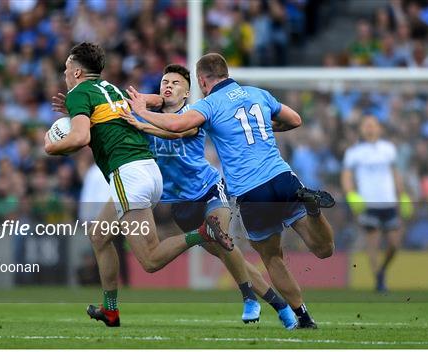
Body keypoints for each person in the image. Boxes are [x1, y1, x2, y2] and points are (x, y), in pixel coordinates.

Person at [125, 53, 336, 329]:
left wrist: (141, 112)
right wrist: (268, 128)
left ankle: (303, 318)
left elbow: (177, 126)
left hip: (250, 190)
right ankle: (313, 209)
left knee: (272, 258)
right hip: (283, 176)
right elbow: (294, 119)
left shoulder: (210, 105)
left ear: (201, 81)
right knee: (324, 249)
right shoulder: (257, 93)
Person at [44, 43, 234, 327]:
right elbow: (155, 101)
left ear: (77, 71)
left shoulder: (80, 93)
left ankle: (204, 232)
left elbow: (81, 138)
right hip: (149, 171)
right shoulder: (113, 90)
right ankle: (110, 310)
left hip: (128, 174)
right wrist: (76, 112)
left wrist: (51, 147)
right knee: (99, 235)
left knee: (150, 260)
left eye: (67, 67)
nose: (64, 72)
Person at [341, 115, 412, 292]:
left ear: (379, 128)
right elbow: (347, 176)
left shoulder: (388, 149)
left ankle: (381, 271)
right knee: (373, 242)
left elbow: (395, 174)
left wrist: (402, 195)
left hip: (388, 202)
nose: (370, 128)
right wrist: (351, 195)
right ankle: (378, 279)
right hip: (368, 204)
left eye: (373, 125)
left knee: (394, 243)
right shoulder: (354, 152)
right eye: (366, 125)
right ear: (361, 130)